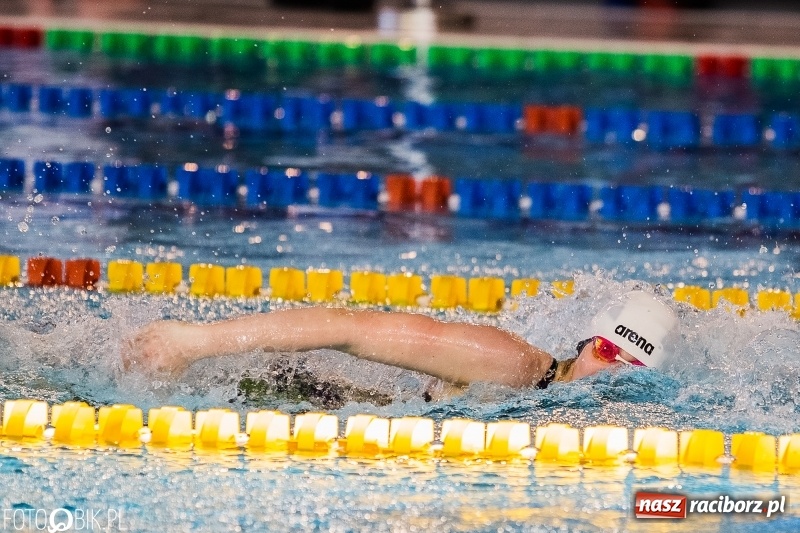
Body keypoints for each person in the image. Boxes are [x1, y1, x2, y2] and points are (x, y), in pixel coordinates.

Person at [124, 290, 678, 395]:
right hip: (315, 405)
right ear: (586, 342)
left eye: (629, 365)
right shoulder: (511, 364)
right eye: (606, 350)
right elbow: (352, 328)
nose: (609, 371)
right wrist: (196, 341)